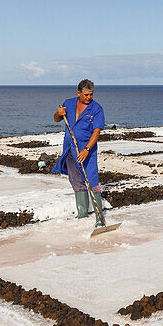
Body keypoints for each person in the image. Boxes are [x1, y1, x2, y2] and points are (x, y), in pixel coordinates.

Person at [52, 79, 106, 220]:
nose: (89, 97)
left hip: (87, 151)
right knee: (75, 180)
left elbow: (96, 132)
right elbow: (57, 119)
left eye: (91, 94)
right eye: (86, 95)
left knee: (92, 180)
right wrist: (58, 113)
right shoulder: (68, 104)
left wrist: (87, 149)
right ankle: (82, 214)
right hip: (70, 149)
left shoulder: (96, 109)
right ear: (79, 93)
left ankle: (100, 218)